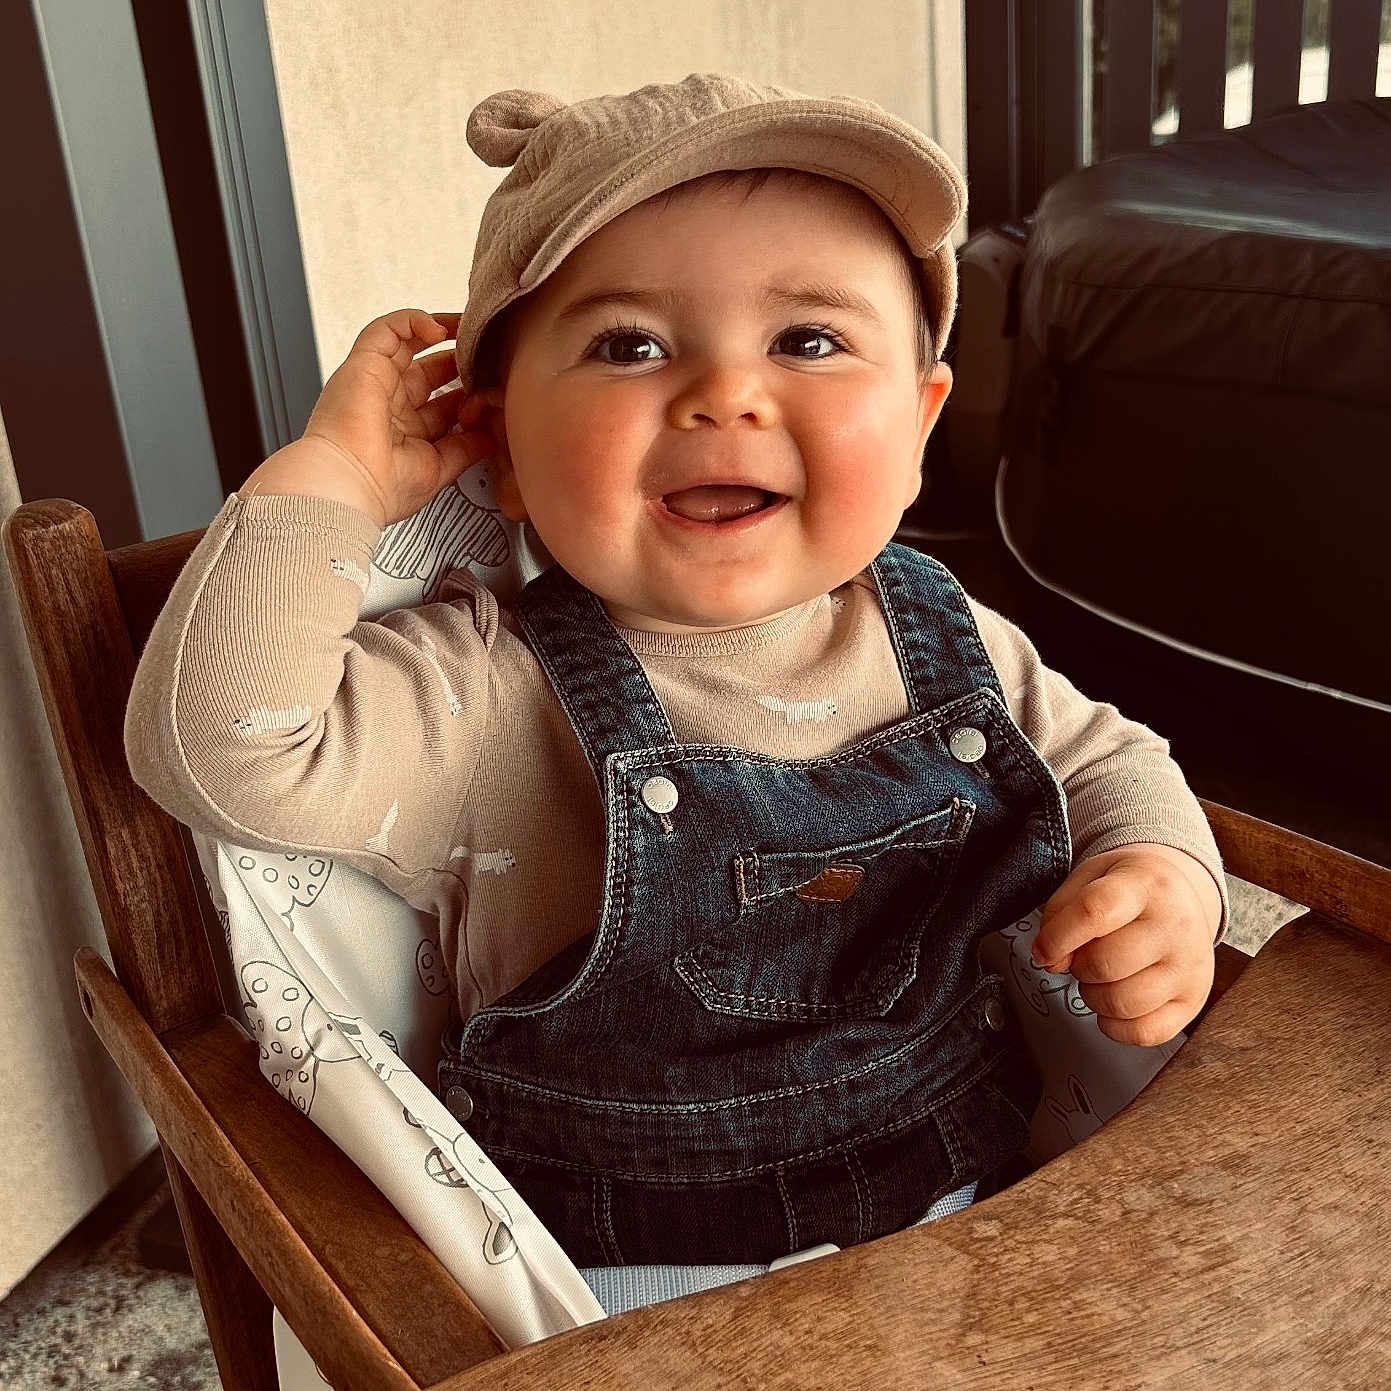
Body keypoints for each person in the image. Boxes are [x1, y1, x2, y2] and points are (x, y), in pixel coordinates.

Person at [125, 73, 1227, 1269]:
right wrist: (336, 472)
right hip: (639, 1276)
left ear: (918, 426)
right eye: (628, 343)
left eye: (808, 337)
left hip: (966, 1191)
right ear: (497, 443)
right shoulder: (484, 689)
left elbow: (1109, 759)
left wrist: (1159, 873)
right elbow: (216, 750)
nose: (723, 393)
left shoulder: (941, 633)